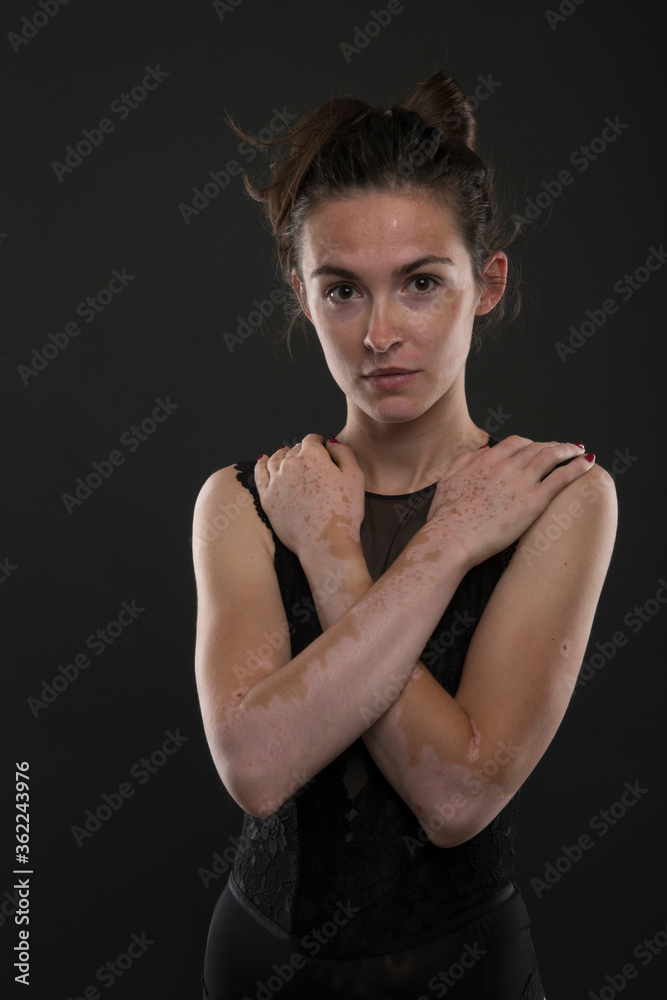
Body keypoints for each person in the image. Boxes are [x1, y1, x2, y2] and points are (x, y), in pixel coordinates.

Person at [192, 69, 617, 1000]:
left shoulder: (560, 500)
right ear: (302, 297)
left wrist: (356, 551)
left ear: (487, 283)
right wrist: (432, 546)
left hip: (464, 969)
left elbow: (457, 798)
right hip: (261, 964)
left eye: (421, 283)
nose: (380, 331)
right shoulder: (244, 501)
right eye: (342, 290)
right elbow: (256, 770)